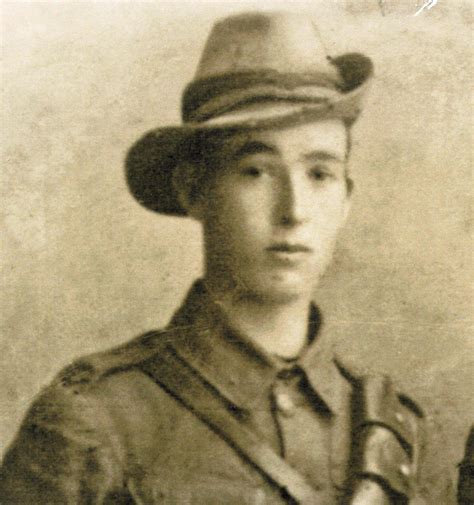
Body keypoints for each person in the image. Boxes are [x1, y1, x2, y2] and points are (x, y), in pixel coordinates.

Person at [0, 11, 457, 504]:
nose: (294, 210)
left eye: (319, 174)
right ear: (195, 190)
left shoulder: (400, 432)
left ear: (345, 200)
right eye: (255, 171)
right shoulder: (92, 421)